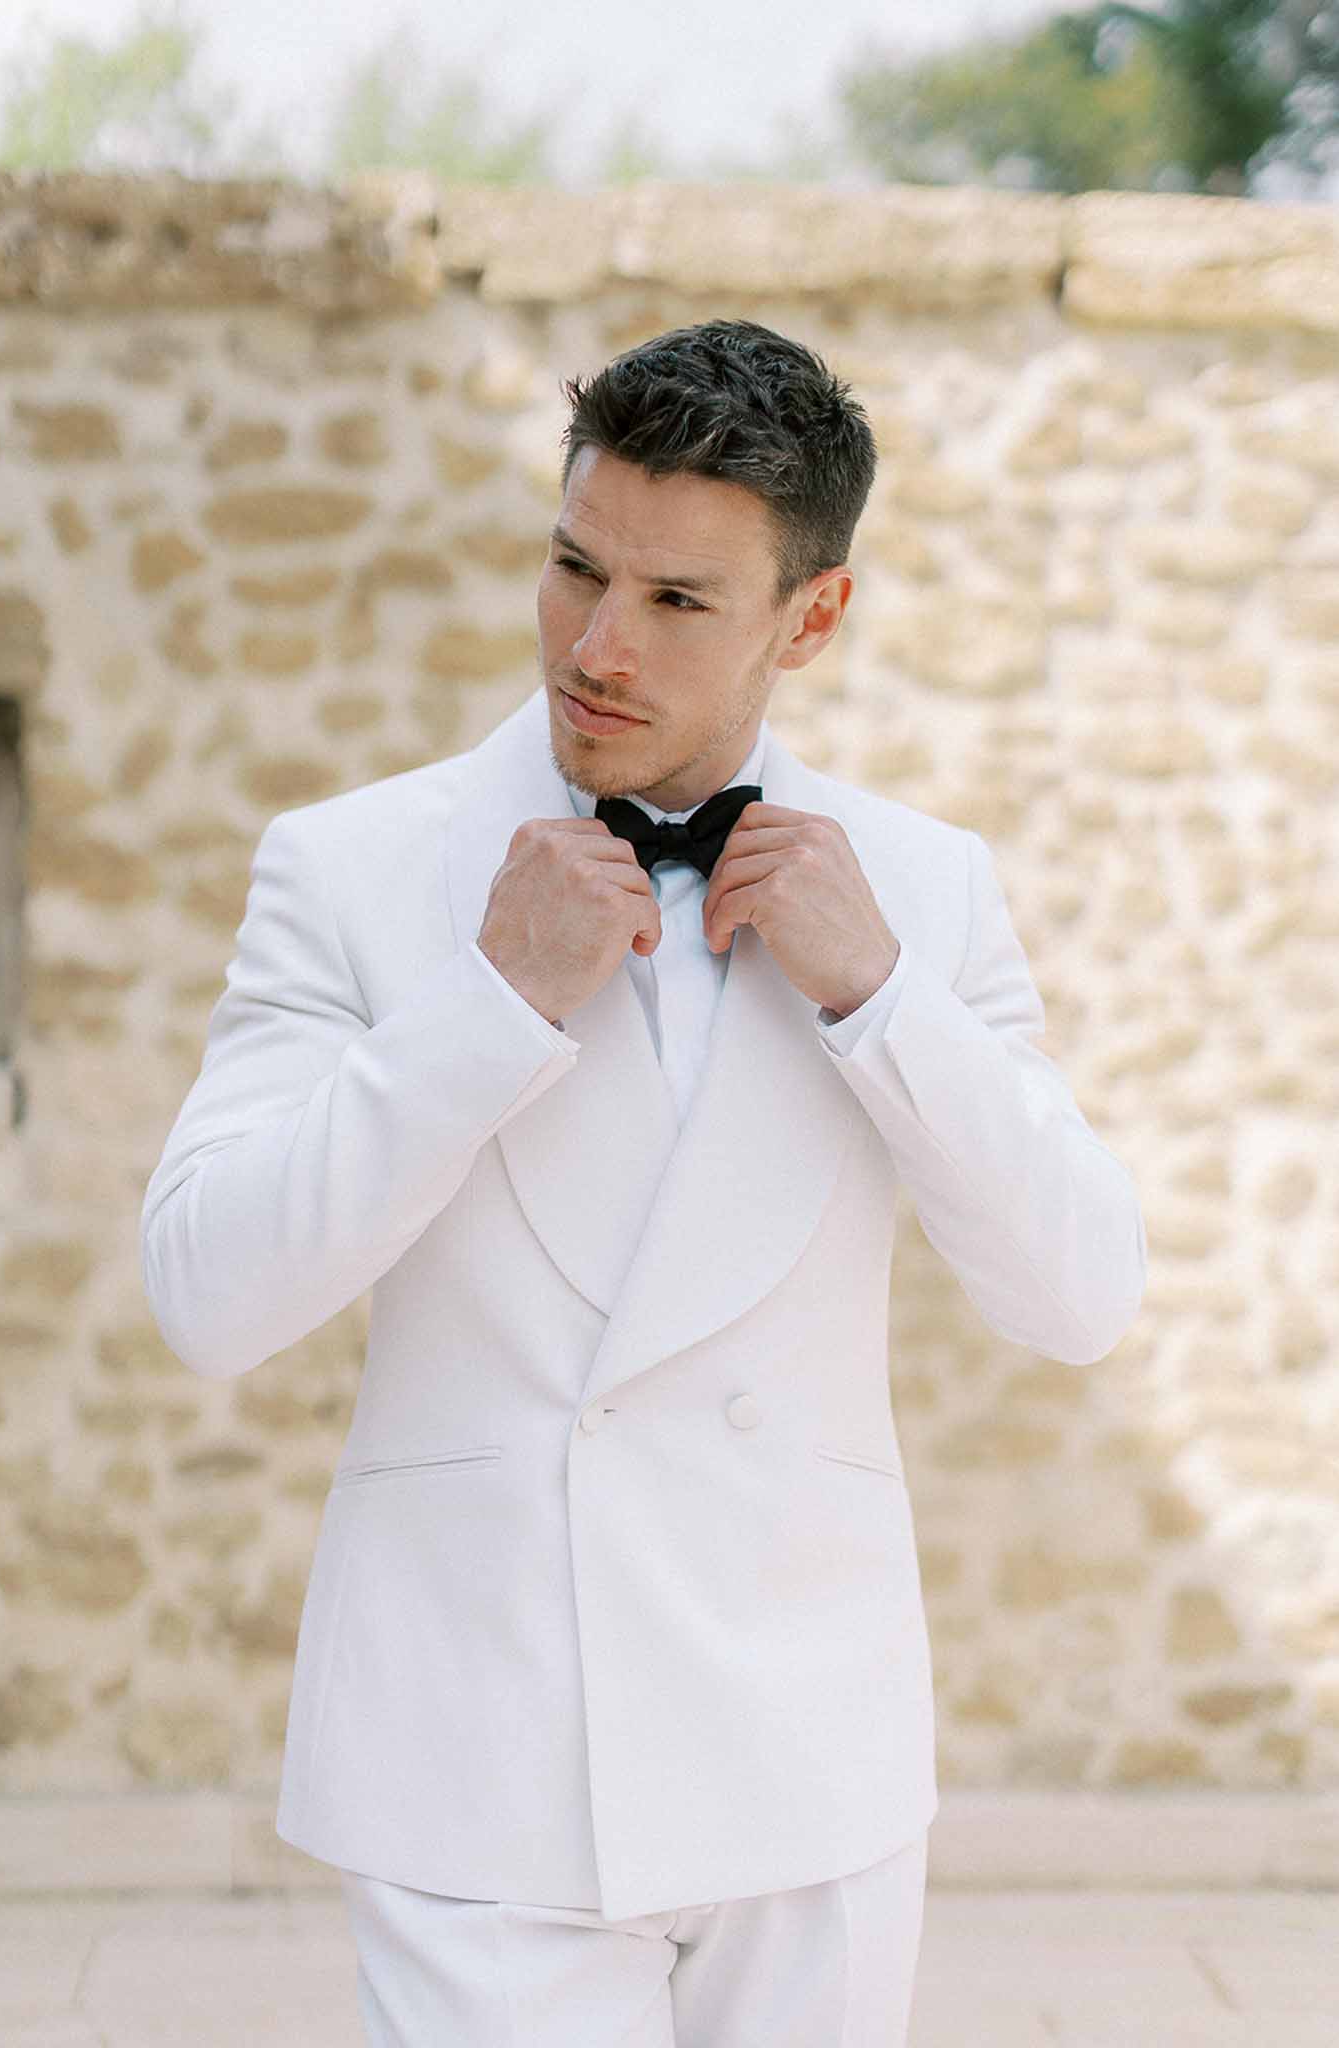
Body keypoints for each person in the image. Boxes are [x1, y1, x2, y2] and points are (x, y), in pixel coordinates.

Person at [140, 318, 1146, 2047]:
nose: (594, 648)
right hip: (480, 1749)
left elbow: (1078, 1297)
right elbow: (208, 1293)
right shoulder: (357, 868)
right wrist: (486, 1006)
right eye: (571, 568)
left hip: (807, 1759)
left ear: (809, 619)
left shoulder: (920, 886)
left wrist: (881, 999)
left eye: (678, 602)